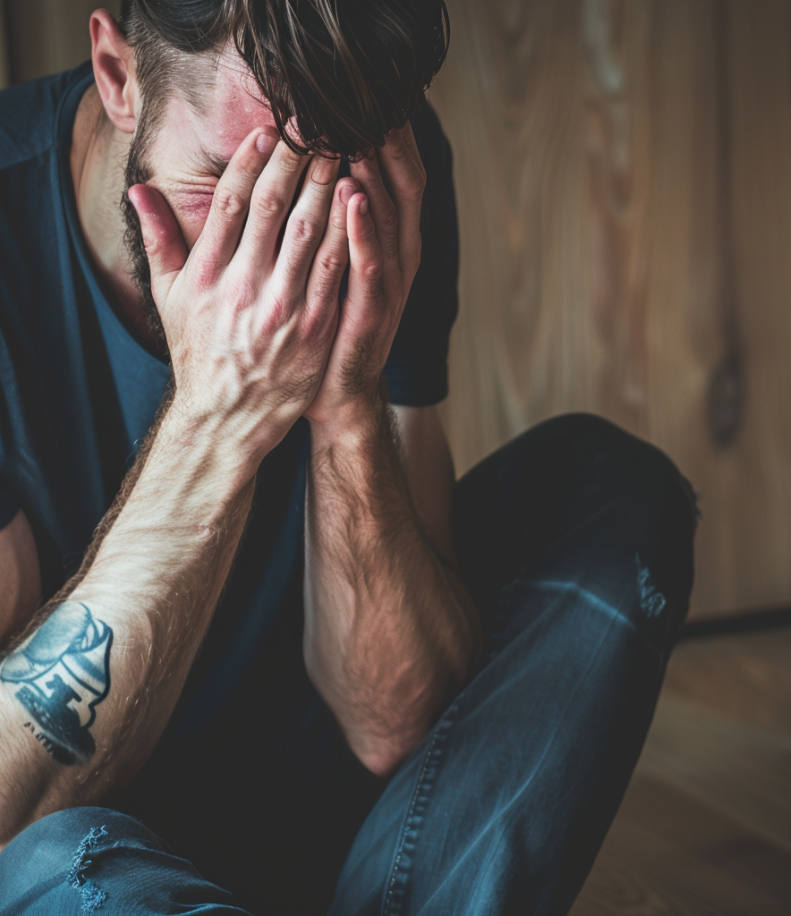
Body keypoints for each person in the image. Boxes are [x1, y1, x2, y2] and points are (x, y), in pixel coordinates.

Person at [0, 1, 698, 913]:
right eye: (230, 184)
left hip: (302, 792)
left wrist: (351, 403)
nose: (284, 248)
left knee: (619, 499)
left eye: (325, 191)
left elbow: (392, 725)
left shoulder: (385, 171)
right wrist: (219, 417)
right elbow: (12, 800)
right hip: (74, 838)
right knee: (71, 864)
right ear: (119, 74)